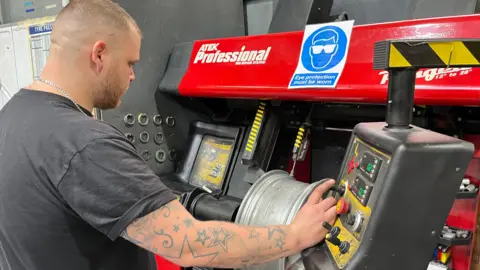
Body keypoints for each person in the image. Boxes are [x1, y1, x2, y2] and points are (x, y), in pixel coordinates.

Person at [0, 0, 338, 269]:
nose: (133, 76)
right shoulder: (85, 143)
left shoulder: (13, 115)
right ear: (99, 54)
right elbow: (189, 245)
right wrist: (294, 235)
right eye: (129, 62)